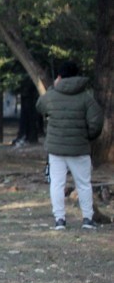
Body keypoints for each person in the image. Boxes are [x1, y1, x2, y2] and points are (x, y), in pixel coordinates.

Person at [36, 60, 104, 230]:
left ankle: (59, 220)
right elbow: (96, 122)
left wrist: (52, 88)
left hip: (56, 150)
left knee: (57, 184)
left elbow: (39, 106)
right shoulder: (86, 98)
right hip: (79, 149)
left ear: (59, 77)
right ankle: (87, 219)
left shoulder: (52, 96)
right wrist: (87, 136)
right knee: (84, 184)